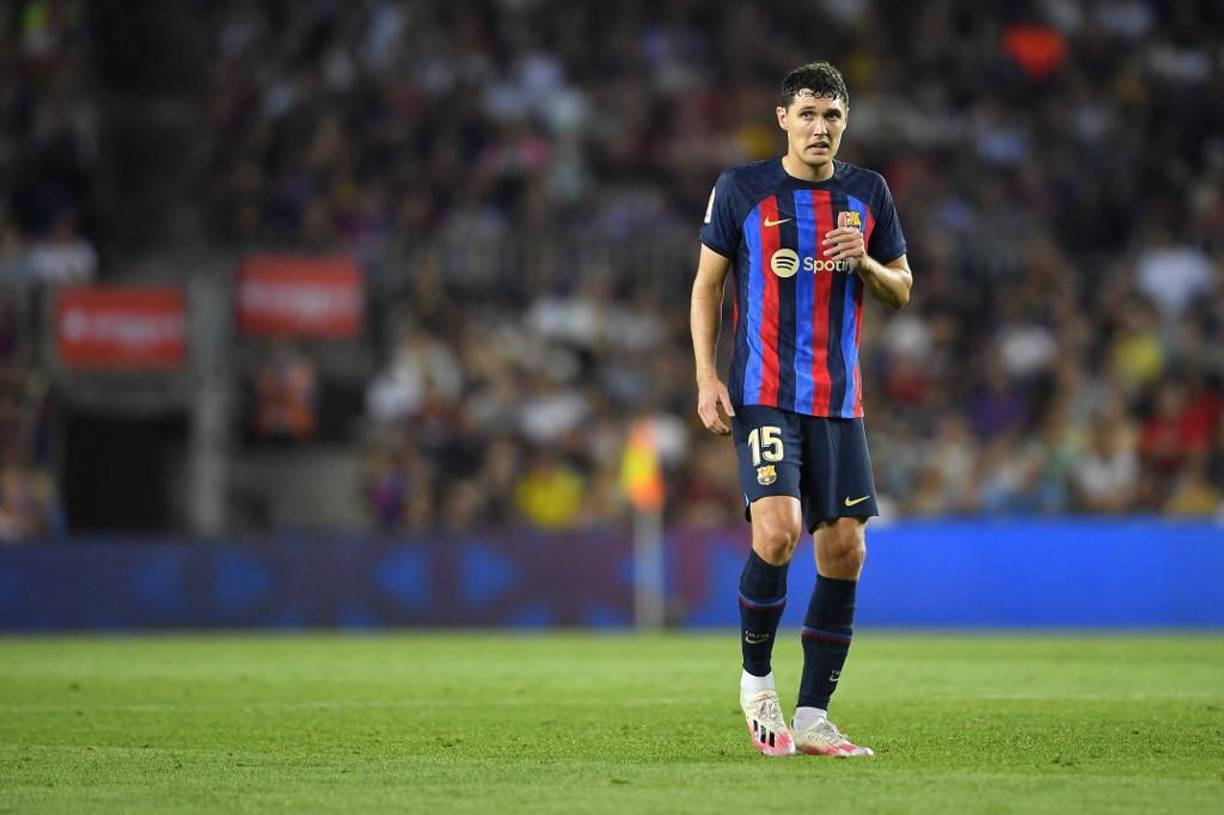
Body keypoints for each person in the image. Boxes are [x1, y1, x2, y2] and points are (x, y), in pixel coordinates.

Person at [690, 61, 912, 757]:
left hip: (838, 403)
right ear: (783, 118)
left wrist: (867, 265)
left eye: (833, 117)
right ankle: (757, 683)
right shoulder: (742, 189)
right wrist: (705, 375)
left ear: (846, 123)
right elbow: (706, 286)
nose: (821, 128)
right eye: (809, 114)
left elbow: (901, 288)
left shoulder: (868, 194)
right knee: (779, 531)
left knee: (845, 548)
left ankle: (814, 715)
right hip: (762, 393)